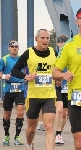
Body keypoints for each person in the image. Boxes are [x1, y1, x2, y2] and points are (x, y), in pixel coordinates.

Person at [11, 29, 57, 150]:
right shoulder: (29, 53)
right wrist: (26, 76)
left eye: (48, 38)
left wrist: (59, 76)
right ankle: (29, 144)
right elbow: (14, 70)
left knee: (49, 126)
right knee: (31, 128)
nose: (46, 40)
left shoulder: (54, 52)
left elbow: (59, 68)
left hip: (49, 95)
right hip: (33, 96)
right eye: (43, 38)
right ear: (36, 39)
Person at [52, 8, 81, 150]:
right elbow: (54, 72)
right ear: (77, 21)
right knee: (78, 139)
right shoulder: (69, 46)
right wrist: (64, 75)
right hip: (76, 96)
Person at [0, 40, 25, 146]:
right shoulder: (4, 59)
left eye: (16, 46)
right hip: (8, 88)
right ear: (9, 48)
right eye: (12, 46)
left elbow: (29, 69)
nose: (14, 48)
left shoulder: (22, 59)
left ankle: (17, 136)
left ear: (18, 48)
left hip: (20, 88)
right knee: (7, 114)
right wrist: (3, 76)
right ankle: (7, 135)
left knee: (20, 111)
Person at [55, 35, 68, 145]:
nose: (62, 44)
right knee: (59, 110)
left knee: (65, 114)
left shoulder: (70, 53)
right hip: (57, 86)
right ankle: (58, 134)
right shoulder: (55, 55)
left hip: (68, 86)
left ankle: (59, 133)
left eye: (64, 42)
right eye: (60, 42)